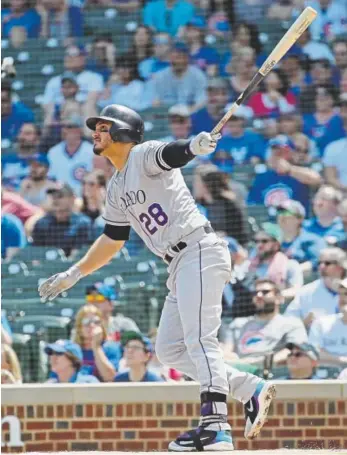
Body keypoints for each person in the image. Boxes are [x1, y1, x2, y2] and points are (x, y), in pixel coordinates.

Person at [39, 104, 276, 451]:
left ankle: (215, 426)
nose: (96, 132)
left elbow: (171, 154)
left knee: (199, 340)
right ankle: (246, 388)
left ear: (123, 132)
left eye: (104, 127)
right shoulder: (116, 186)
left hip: (198, 249)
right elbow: (112, 239)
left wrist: (193, 147)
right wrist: (76, 272)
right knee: (168, 350)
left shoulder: (142, 154)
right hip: (179, 263)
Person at [221, 279, 307, 367]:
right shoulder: (237, 324)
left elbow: (293, 353)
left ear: (279, 298)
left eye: (265, 292)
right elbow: (226, 352)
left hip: (275, 377)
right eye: (255, 293)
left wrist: (250, 363)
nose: (259, 295)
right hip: (242, 375)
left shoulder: (292, 324)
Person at [248, 135, 322, 213]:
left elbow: (316, 180)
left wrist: (289, 170)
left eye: (282, 151)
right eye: (274, 150)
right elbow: (253, 205)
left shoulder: (299, 171)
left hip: (295, 219)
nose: (277, 154)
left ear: (292, 152)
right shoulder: (262, 177)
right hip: (269, 221)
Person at [285, 247, 347, 328]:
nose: (321, 266)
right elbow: (288, 322)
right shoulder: (306, 291)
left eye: (327, 263)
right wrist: (304, 322)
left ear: (340, 266)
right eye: (319, 263)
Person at [31, 183, 93, 257]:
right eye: (53, 196)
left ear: (72, 198)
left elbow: (77, 257)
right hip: (45, 267)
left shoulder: (83, 223)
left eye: (60, 196)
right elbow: (36, 255)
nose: (55, 199)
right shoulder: (41, 223)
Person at [247, 223, 303, 300]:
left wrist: (272, 296)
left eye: (264, 241)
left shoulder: (290, 265)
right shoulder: (249, 266)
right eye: (256, 241)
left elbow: (297, 290)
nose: (259, 245)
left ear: (276, 244)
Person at [147, 42, 207, 112]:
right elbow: (155, 101)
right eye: (176, 57)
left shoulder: (198, 75)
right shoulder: (160, 76)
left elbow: (202, 101)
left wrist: (188, 111)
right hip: (166, 115)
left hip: (191, 114)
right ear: (170, 58)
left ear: (188, 58)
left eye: (182, 57)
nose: (179, 61)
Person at [42, 45, 104, 112]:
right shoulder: (53, 81)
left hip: (82, 113)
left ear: (83, 58)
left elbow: (91, 101)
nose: (69, 58)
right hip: (59, 113)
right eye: (67, 55)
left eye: (73, 55)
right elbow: (46, 103)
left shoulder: (94, 78)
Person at [71, 305, 122, 382]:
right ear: (79, 327)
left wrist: (96, 346)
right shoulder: (72, 350)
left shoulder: (110, 347)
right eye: (86, 322)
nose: (92, 325)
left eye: (96, 322)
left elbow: (110, 378)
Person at [47, 115, 94, 196]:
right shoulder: (53, 152)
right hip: (60, 197)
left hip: (84, 197)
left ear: (80, 130)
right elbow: (50, 179)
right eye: (67, 128)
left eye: (73, 128)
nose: (70, 131)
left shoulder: (92, 151)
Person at [277, 200, 327, 273]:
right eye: (279, 213)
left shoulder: (311, 239)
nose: (282, 217)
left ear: (299, 219)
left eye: (287, 213)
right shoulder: (273, 242)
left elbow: (317, 261)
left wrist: (292, 272)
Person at [308, 278, 347, 367]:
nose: (342, 298)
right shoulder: (321, 323)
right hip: (326, 378)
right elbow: (313, 352)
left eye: (346, 294)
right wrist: (343, 361)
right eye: (339, 294)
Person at [303, 84, 345, 157]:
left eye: (324, 98)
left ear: (332, 100)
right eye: (318, 98)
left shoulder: (341, 118)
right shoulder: (306, 119)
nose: (321, 101)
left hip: (337, 156)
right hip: (312, 159)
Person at [2, 123, 41, 190]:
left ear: (37, 139)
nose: (22, 137)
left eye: (27, 134)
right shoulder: (4, 160)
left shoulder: (44, 161)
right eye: (20, 133)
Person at [323, 94, 347, 193]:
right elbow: (330, 178)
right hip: (343, 196)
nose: (344, 110)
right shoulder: (333, 147)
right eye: (342, 108)